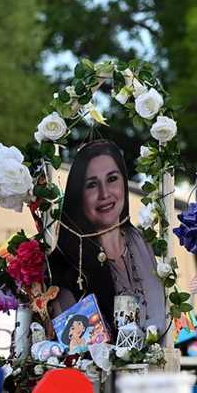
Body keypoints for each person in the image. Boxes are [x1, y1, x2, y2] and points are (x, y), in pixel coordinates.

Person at [47, 140, 166, 337]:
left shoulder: (142, 244)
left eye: (112, 179)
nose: (104, 194)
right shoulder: (66, 263)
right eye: (92, 185)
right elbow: (77, 346)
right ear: (78, 195)